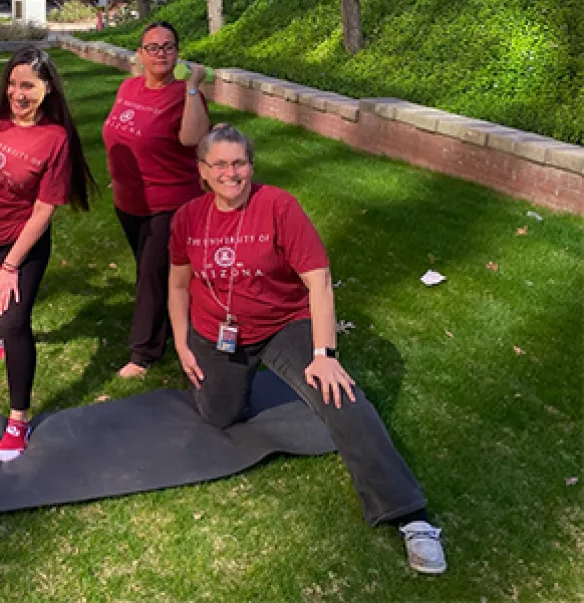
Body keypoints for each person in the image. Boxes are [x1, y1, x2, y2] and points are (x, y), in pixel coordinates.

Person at [168, 123, 447, 575]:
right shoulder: (188, 218)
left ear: (251, 165)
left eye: (239, 162)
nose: (230, 172)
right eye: (218, 164)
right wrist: (181, 342)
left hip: (283, 324)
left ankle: (410, 516)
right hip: (215, 330)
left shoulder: (278, 206)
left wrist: (325, 355)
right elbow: (178, 283)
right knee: (219, 416)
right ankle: (238, 380)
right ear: (202, 171)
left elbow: (317, 279)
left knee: (341, 398)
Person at [0, 46, 94, 462]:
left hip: (20, 241)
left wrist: (10, 265)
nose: (17, 93)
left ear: (47, 89)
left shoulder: (54, 139)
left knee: (14, 321)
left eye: (28, 85)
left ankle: (17, 419)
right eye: (12, 82)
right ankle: (6, 335)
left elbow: (45, 209)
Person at [102, 21, 210, 379]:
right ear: (140, 54)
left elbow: (194, 139)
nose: (160, 53)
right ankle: (187, 320)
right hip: (129, 200)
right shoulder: (128, 86)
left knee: (151, 273)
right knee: (158, 272)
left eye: (168, 46)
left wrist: (193, 88)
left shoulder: (184, 94)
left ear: (177, 52)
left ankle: (144, 352)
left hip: (170, 201)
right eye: (153, 47)